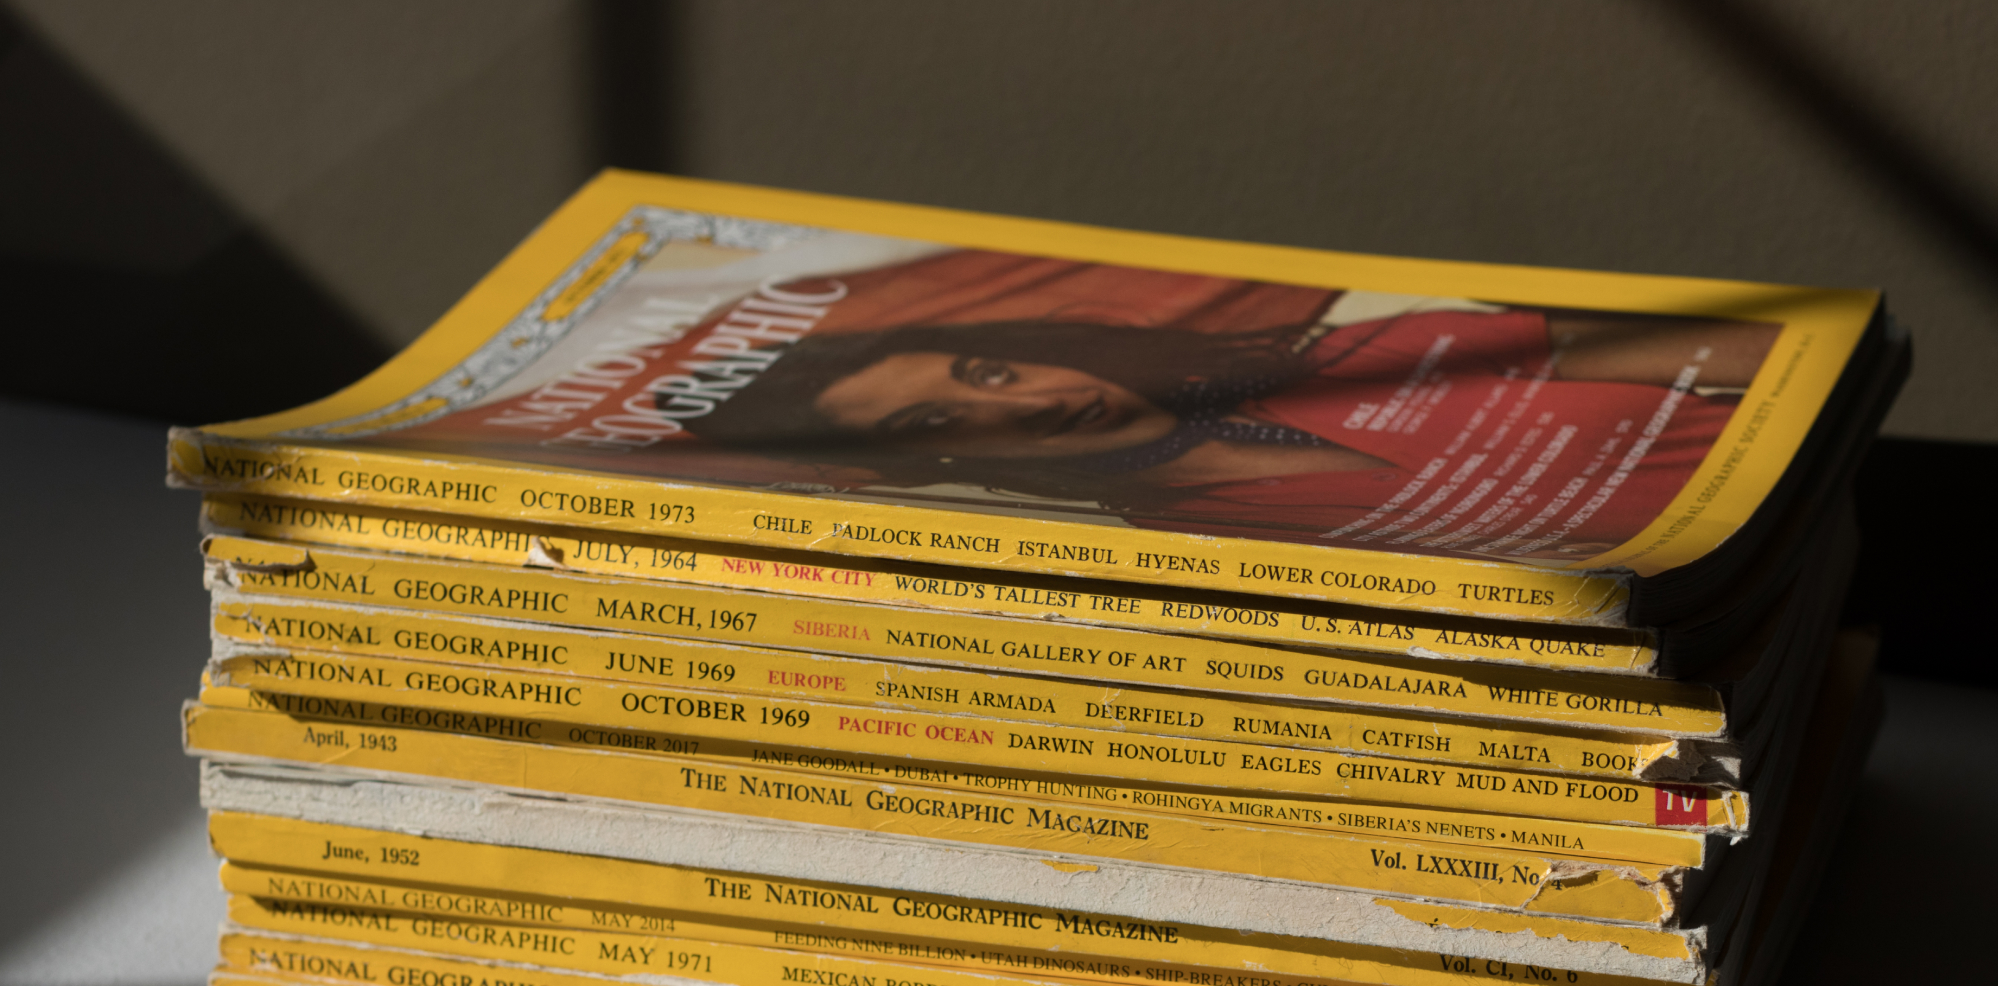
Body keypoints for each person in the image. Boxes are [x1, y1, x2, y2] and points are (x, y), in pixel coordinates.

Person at [681, 305, 1779, 562]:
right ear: (934, 457)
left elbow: (1763, 361)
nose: (1028, 403)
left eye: (991, 370)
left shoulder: (1373, 351)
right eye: (938, 418)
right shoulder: (1186, 552)